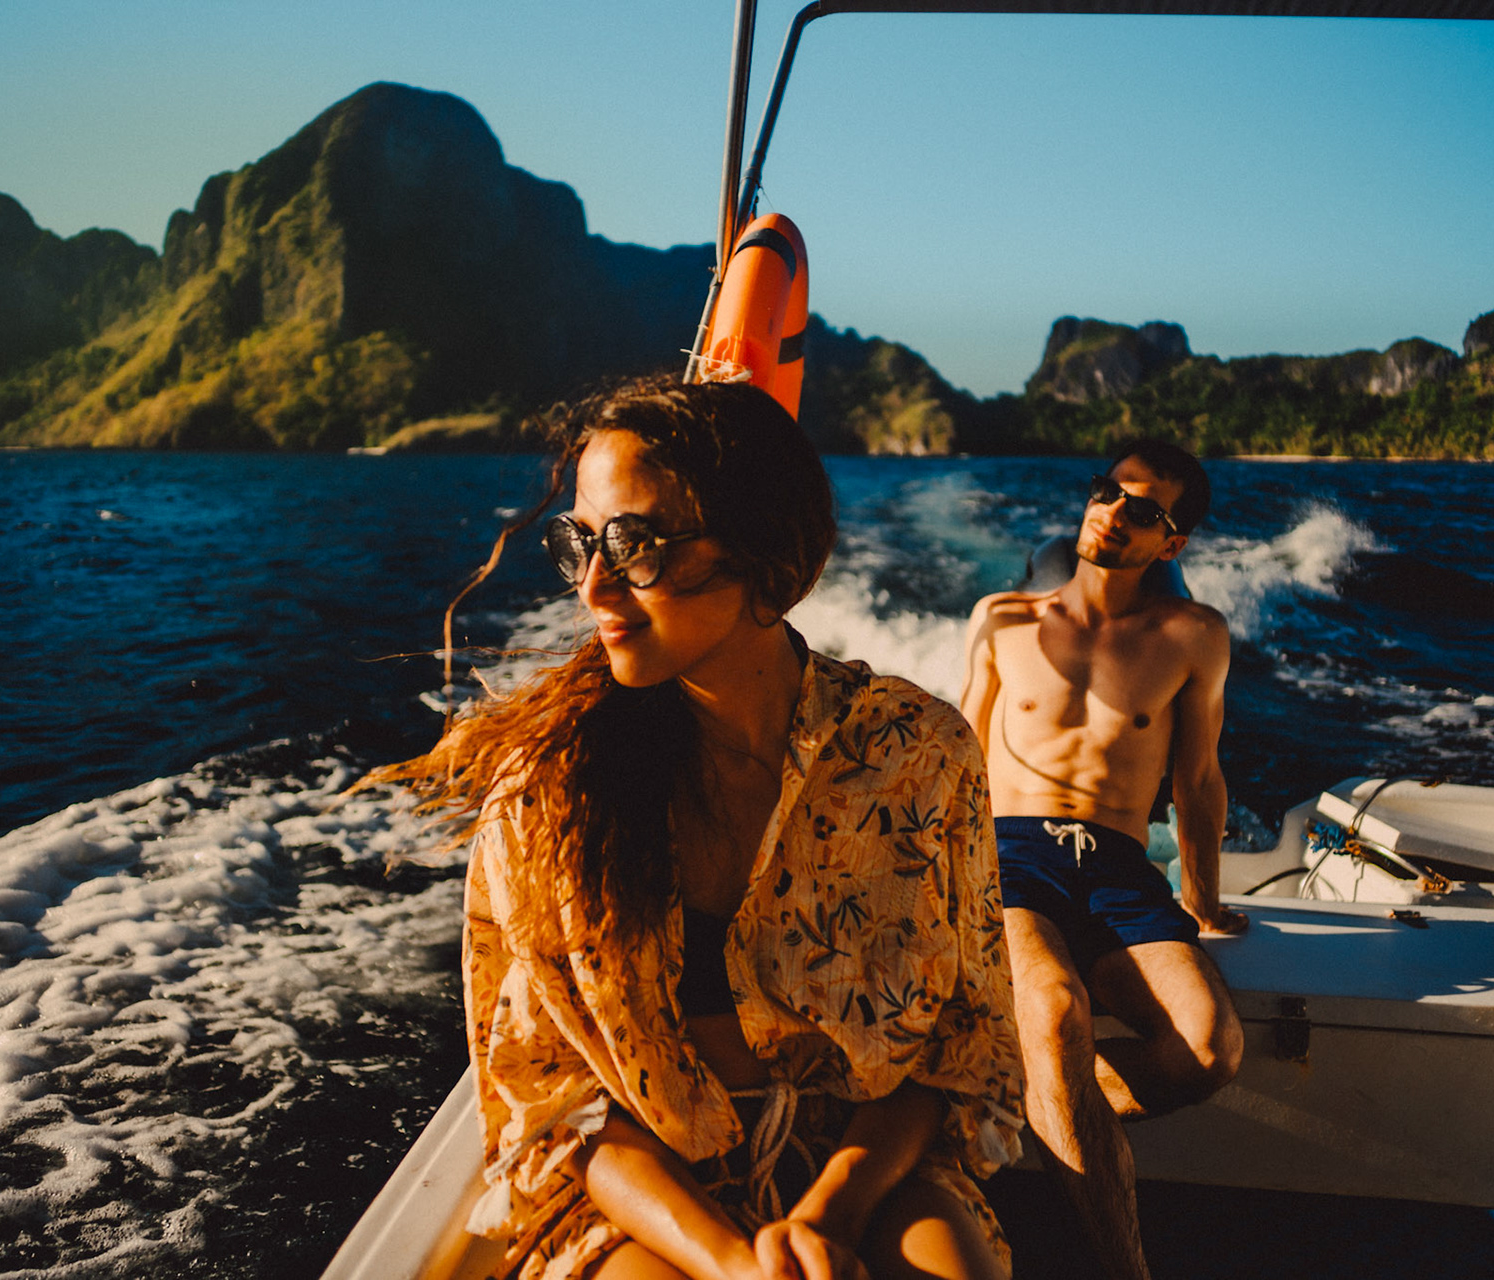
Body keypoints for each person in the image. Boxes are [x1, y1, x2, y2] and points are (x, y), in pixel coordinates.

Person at [369, 377, 1024, 1280]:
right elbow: (557, 1105)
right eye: (579, 544)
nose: (594, 585)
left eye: (635, 546)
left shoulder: (919, 754)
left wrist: (829, 1216)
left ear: (766, 551)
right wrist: (733, 1263)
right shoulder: (547, 793)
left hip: (862, 1165)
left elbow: (954, 1051)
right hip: (645, 1188)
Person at [959, 438, 1247, 1280]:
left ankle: (1008, 1101)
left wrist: (1204, 900)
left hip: (1120, 866)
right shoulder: (1002, 618)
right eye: (1107, 493)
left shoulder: (1194, 635)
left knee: (1206, 1049)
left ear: (1173, 543)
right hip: (1012, 853)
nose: (1114, 513)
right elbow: (958, 761)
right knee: (1050, 1010)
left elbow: (1197, 781)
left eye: (1145, 510)